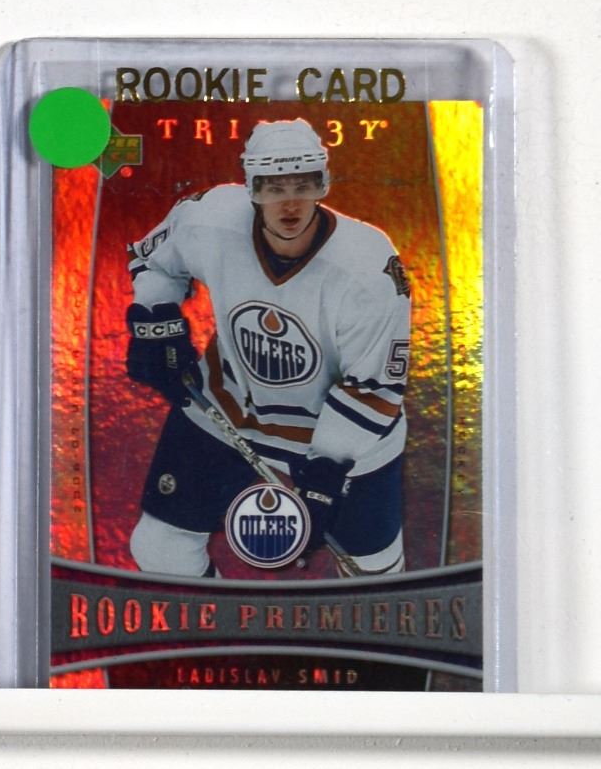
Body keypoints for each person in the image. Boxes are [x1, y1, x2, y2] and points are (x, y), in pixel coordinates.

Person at [123, 119, 410, 578]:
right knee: (160, 549)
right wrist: (157, 322)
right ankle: (221, 625)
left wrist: (326, 472)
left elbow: (373, 386)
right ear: (252, 188)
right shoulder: (208, 219)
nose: (289, 203)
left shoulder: (368, 266)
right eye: (274, 187)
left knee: (376, 575)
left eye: (302, 185)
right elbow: (152, 260)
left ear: (323, 185)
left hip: (344, 438)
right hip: (228, 406)